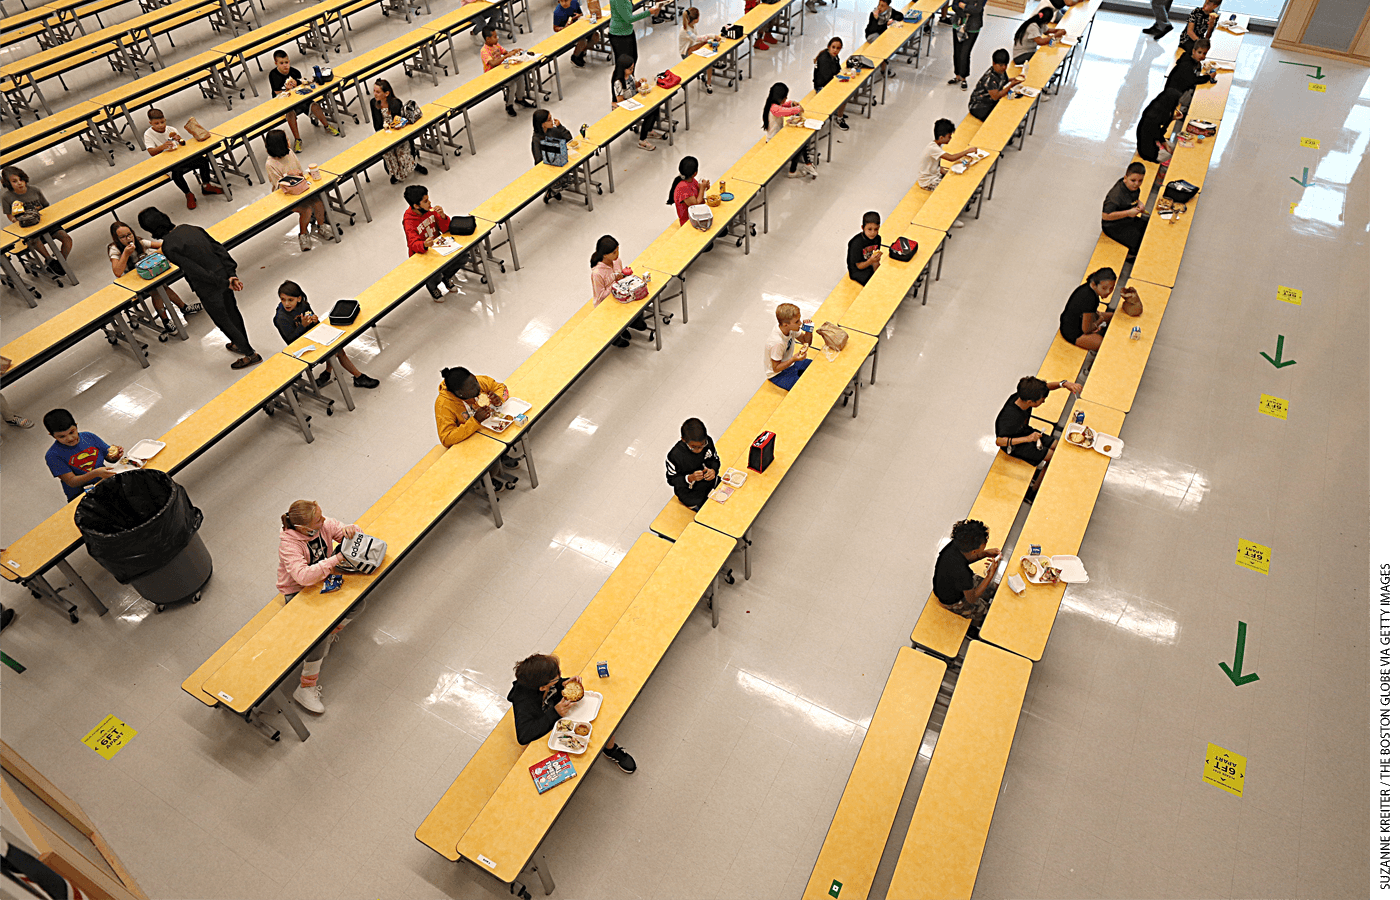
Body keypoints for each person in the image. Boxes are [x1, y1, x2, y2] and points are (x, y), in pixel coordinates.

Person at [137, 206, 261, 368]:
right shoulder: (192, 228)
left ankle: (250, 354)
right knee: (233, 312)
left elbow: (195, 270)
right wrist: (231, 274)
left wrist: (221, 282)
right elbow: (219, 249)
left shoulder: (169, 246)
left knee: (222, 320)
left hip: (209, 287)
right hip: (224, 276)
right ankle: (240, 343)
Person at [276, 500, 362, 713]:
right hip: (298, 591)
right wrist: (334, 560)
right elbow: (303, 577)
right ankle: (306, 687)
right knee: (318, 636)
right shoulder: (289, 544)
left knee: (358, 605)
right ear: (304, 528)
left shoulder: (322, 525)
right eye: (318, 519)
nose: (324, 521)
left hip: (322, 579)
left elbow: (349, 535)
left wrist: (352, 530)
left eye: (322, 516)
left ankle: (332, 632)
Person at [509, 653, 636, 773]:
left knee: (605, 724)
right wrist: (555, 712)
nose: (560, 675)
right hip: (546, 727)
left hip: (560, 713)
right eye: (557, 677)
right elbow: (524, 736)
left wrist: (562, 684)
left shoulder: (542, 681)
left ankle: (610, 749)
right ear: (542, 687)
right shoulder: (523, 703)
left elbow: (554, 685)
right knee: (577, 753)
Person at [273, 281, 379, 390]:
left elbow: (316, 326)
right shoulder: (281, 318)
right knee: (337, 351)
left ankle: (328, 372)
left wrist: (314, 321)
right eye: (283, 299)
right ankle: (358, 377)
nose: (286, 304)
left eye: (290, 300)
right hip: (300, 348)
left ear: (299, 298)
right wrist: (303, 326)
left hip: (311, 338)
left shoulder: (303, 305)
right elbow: (291, 341)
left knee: (334, 345)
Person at [435, 366, 520, 491]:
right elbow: (446, 438)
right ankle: (486, 479)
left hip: (488, 429)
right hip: (468, 440)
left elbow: (501, 387)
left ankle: (502, 456)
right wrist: (474, 421)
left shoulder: (477, 382)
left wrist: (498, 398)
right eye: (472, 388)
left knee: (512, 433)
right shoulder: (444, 405)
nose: (478, 388)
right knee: (491, 465)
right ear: (460, 393)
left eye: (475, 382)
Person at [994, 376, 1081, 494]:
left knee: (1057, 446)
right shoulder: (1009, 417)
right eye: (1041, 400)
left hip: (1025, 431)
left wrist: (1064, 384)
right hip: (1015, 445)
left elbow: (1046, 388)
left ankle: (1039, 473)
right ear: (1030, 402)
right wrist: (1028, 438)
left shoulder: (1022, 396)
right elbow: (1000, 441)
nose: (1044, 401)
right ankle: (1033, 491)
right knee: (1052, 457)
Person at [108, 220, 195, 334]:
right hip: (134, 282)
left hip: (149, 274)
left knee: (160, 287)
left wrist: (153, 256)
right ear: (117, 239)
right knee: (157, 291)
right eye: (123, 237)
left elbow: (164, 246)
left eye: (129, 234)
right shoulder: (114, 249)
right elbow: (117, 272)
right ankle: (170, 316)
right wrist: (125, 254)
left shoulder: (139, 241)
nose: (128, 238)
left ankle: (181, 309)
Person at [263, 129, 334, 253]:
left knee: (318, 203)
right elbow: (278, 185)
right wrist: (288, 175)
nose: (289, 141)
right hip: (286, 195)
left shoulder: (290, 153)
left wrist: (300, 175)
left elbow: (299, 170)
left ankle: (322, 226)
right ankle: (303, 234)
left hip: (300, 187)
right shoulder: (270, 164)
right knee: (306, 209)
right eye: (286, 140)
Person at [142, 109, 223, 211]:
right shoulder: (148, 134)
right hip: (168, 162)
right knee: (176, 173)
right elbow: (151, 152)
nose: (160, 125)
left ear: (165, 120)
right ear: (150, 123)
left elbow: (183, 144)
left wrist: (180, 139)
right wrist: (162, 147)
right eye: (156, 123)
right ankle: (188, 194)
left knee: (202, 160)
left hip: (180, 157)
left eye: (162, 122)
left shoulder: (171, 129)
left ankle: (206, 185)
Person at [2, 166, 71, 279]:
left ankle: (60, 261)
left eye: (21, 179)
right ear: (8, 184)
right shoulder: (6, 197)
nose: (19, 183)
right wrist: (16, 220)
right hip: (27, 227)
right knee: (35, 240)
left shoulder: (35, 190)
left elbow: (46, 207)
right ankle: (49, 259)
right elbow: (10, 215)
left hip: (45, 222)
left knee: (67, 239)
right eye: (14, 181)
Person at [402, 184, 468, 302]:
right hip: (423, 254)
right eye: (426, 201)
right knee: (435, 274)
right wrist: (424, 244)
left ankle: (446, 277)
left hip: (439, 247)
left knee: (462, 257)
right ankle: (433, 287)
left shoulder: (430, 211)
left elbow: (446, 229)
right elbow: (412, 244)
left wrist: (442, 216)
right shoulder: (409, 221)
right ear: (416, 206)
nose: (430, 202)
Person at [933, 518, 1001, 631]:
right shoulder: (961, 573)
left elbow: (966, 559)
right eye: (981, 549)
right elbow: (972, 599)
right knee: (984, 610)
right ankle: (973, 628)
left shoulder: (955, 545)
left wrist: (984, 554)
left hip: (955, 583)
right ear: (973, 551)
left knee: (993, 588)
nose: (983, 549)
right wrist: (989, 576)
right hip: (952, 599)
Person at [42, 409, 121, 503]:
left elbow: (109, 458)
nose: (70, 438)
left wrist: (116, 456)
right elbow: (72, 482)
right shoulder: (53, 455)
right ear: (52, 436)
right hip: (80, 493)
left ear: (76, 425)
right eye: (62, 436)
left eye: (72, 432)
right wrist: (95, 473)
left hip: (103, 480)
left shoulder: (90, 437)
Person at [270, 49, 340, 152]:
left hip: (301, 100)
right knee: (290, 114)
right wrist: (288, 89)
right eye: (281, 63)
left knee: (315, 106)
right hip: (286, 104)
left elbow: (303, 86)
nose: (285, 65)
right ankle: (298, 140)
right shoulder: (273, 75)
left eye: (287, 62)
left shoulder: (295, 72)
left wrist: (298, 84)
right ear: (276, 63)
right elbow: (277, 93)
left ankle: (327, 125)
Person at [916, 118, 978, 230]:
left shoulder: (935, 146)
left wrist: (947, 173)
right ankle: (949, 219)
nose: (950, 138)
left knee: (956, 178)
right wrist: (966, 151)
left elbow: (937, 166)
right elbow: (951, 158)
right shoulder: (933, 149)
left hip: (934, 175)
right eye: (949, 136)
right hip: (928, 182)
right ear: (941, 137)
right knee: (949, 192)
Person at [590, 235, 650, 347]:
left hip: (620, 296)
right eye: (614, 252)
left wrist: (624, 277)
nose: (617, 254)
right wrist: (615, 283)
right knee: (615, 321)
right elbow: (600, 297)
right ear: (604, 255)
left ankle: (630, 323)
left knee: (638, 298)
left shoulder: (617, 261)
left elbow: (621, 278)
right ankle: (615, 338)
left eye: (618, 250)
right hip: (606, 304)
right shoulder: (597, 273)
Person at [370, 79, 428, 184]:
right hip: (385, 134)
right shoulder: (373, 103)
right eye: (374, 91)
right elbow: (376, 123)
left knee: (403, 152)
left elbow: (401, 122)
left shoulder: (396, 103)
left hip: (398, 133)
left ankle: (413, 165)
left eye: (378, 92)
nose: (375, 94)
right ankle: (395, 173)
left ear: (386, 93)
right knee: (389, 155)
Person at [763, 83, 817, 179]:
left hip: (777, 137)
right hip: (774, 142)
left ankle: (808, 163)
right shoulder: (774, 108)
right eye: (785, 97)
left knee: (801, 140)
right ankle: (793, 171)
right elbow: (785, 111)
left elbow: (784, 106)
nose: (786, 98)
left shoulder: (772, 104)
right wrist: (797, 109)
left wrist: (792, 103)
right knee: (800, 143)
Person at [666, 417, 720, 510]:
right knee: (709, 514)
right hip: (691, 495)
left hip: (711, 484)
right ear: (683, 440)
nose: (699, 450)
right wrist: (689, 478)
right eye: (694, 447)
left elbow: (715, 460)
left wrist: (713, 470)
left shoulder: (708, 441)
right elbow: (671, 480)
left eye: (702, 445)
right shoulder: (674, 456)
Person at [1059, 267, 1117, 351]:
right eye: (1104, 288)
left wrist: (1098, 318)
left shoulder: (1089, 288)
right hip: (1073, 332)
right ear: (1094, 284)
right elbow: (1086, 329)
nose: (1108, 292)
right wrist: (1099, 320)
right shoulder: (1090, 299)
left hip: (1079, 320)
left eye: (1111, 288)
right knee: (1105, 345)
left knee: (1112, 316)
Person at [612, 56, 661, 151]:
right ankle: (642, 140)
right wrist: (632, 103)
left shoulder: (630, 76)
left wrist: (640, 82)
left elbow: (635, 86)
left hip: (636, 101)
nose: (632, 70)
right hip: (628, 107)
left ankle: (649, 130)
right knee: (649, 113)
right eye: (630, 69)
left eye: (633, 68)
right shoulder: (618, 82)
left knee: (656, 105)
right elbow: (620, 100)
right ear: (623, 69)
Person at [482, 25, 533, 118]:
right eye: (495, 37)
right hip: (493, 76)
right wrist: (505, 57)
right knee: (512, 84)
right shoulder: (484, 51)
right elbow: (493, 63)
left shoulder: (496, 45)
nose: (497, 38)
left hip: (502, 71)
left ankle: (520, 98)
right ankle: (509, 105)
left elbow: (506, 53)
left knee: (520, 76)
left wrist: (514, 51)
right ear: (488, 39)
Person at [1101, 162, 1149, 255]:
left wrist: (1139, 203)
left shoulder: (1132, 187)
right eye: (1133, 180)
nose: (1136, 184)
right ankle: (1130, 256)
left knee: (1146, 227)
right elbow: (1105, 216)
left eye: (1140, 181)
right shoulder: (1115, 196)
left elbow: (1131, 198)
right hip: (1112, 225)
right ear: (1125, 178)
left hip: (1127, 218)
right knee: (1138, 241)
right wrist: (1128, 213)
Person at [763, 302, 813, 390]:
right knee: (804, 389)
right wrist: (793, 359)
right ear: (786, 325)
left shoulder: (789, 329)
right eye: (797, 321)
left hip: (791, 364)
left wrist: (809, 329)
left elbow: (806, 342)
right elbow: (776, 368)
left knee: (815, 366)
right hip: (778, 375)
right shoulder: (777, 342)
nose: (800, 323)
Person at [531, 109, 574, 203]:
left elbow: (569, 139)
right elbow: (538, 161)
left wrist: (560, 127)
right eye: (549, 119)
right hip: (550, 168)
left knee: (569, 181)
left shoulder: (553, 130)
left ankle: (552, 192)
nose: (553, 121)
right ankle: (552, 191)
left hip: (561, 162)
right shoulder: (536, 139)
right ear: (542, 124)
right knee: (560, 184)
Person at [969, 49, 1022, 122]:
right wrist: (1011, 85)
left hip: (990, 102)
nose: (1004, 67)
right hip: (980, 106)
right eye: (1001, 65)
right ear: (993, 63)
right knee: (996, 119)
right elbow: (996, 96)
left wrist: (1014, 79)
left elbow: (1004, 81)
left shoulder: (1001, 71)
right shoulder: (990, 78)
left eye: (1006, 64)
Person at [1166, 39, 1217, 114]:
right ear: (1193, 51)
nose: (1202, 56)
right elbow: (1193, 80)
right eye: (1199, 52)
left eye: (1204, 53)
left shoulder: (1189, 58)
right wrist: (1208, 77)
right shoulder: (1187, 64)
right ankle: (1184, 112)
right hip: (1175, 93)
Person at [1136, 87, 1183, 165]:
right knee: (1172, 155)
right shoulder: (1155, 119)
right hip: (1149, 152)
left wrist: (1173, 118)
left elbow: (1157, 133)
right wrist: (1170, 120)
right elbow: (1159, 134)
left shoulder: (1154, 110)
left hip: (1146, 143)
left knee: (1172, 146)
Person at [948, 0, 986, 90]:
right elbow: (954, 5)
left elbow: (977, 9)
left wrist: (964, 6)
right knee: (957, 51)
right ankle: (957, 75)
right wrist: (967, 10)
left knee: (965, 53)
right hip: (958, 24)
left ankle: (963, 77)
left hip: (973, 27)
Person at [812, 37, 849, 130]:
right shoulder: (824, 59)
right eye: (833, 47)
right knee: (842, 96)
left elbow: (837, 70)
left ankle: (839, 112)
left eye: (838, 48)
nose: (835, 50)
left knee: (846, 91)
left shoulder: (835, 57)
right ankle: (839, 118)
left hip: (829, 83)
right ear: (829, 47)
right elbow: (828, 77)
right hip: (822, 86)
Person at [608, 0, 660, 64]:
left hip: (628, 30)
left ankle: (631, 74)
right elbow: (629, 19)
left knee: (633, 59)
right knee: (625, 64)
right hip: (619, 34)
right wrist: (648, 12)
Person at [864, 0, 906, 80]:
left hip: (881, 34)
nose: (879, 7)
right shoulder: (873, 14)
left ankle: (884, 64)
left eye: (883, 6)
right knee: (882, 47)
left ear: (888, 7)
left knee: (890, 40)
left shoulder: (889, 12)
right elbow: (873, 29)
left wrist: (892, 20)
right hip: (872, 35)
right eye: (879, 5)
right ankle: (884, 69)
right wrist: (876, 19)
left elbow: (900, 16)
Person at [680, 7, 717, 94]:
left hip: (692, 47)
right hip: (686, 53)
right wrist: (712, 36)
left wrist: (706, 41)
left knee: (707, 47)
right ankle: (708, 82)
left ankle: (707, 77)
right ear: (696, 19)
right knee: (708, 59)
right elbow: (696, 38)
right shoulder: (686, 31)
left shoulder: (692, 25)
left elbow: (698, 40)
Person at [847, 211, 882, 286]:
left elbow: (875, 261)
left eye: (876, 229)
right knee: (873, 284)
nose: (873, 232)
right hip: (857, 271)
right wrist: (871, 261)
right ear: (863, 228)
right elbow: (859, 266)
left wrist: (877, 272)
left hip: (870, 264)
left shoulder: (877, 239)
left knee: (882, 278)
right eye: (869, 229)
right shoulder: (855, 243)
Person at [555, 0, 593, 68]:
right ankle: (574, 57)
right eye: (562, 1)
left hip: (580, 28)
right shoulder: (557, 12)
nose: (564, 3)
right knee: (583, 41)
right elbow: (555, 28)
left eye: (566, 1)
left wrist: (578, 15)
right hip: (568, 33)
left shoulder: (575, 3)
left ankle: (581, 52)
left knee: (595, 36)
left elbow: (581, 13)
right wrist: (563, 28)